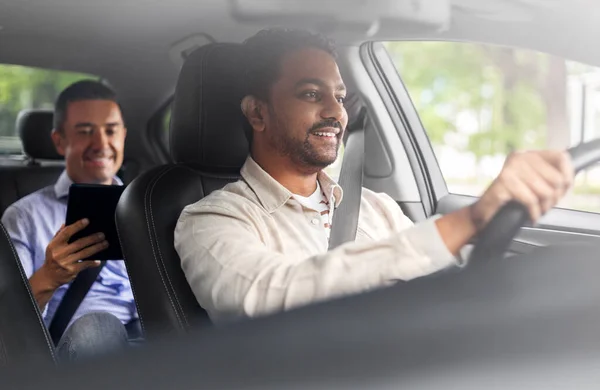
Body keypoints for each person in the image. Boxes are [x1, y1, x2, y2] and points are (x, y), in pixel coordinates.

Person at [174, 29, 574, 324]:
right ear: (257, 113)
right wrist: (466, 220)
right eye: (312, 94)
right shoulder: (211, 220)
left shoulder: (374, 206)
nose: (336, 113)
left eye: (341, 97)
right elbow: (270, 294)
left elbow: (446, 274)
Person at [2, 80, 140, 361]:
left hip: (151, 342)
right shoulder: (24, 216)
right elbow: (6, 324)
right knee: (99, 328)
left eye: (111, 130)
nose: (101, 144)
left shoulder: (147, 207)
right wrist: (49, 276)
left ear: (124, 135)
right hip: (77, 350)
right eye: (85, 132)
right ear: (59, 140)